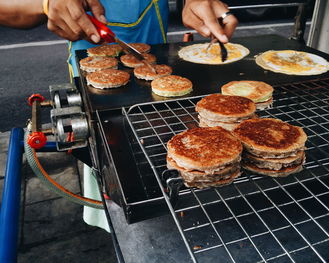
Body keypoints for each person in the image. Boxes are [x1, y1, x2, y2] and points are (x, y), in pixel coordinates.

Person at [0, 0, 238, 231]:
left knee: (167, 165)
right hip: (98, 92)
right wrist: (45, 4)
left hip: (158, 80)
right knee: (116, 182)